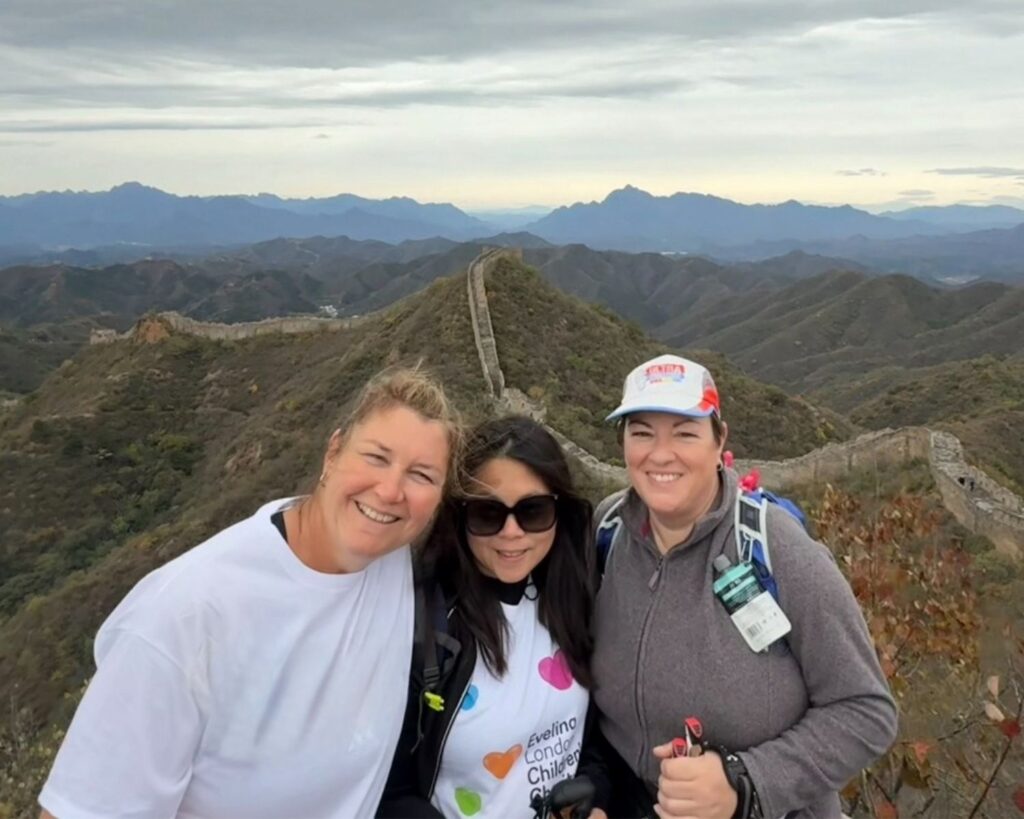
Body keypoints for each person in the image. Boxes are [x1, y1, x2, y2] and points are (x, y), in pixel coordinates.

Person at [39, 367, 463, 819]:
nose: (390, 490)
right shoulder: (186, 619)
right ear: (333, 452)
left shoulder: (391, 559)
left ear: (438, 500)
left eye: (421, 475)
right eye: (376, 457)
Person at [588, 354, 898, 819]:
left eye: (685, 433)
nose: (660, 453)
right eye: (642, 432)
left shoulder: (775, 546)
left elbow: (865, 709)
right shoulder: (607, 532)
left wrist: (745, 781)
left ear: (719, 441)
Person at [378, 416, 600, 819]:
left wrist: (594, 793)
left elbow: (595, 740)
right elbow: (388, 793)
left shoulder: (575, 595)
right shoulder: (422, 626)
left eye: (532, 511)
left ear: (559, 511)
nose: (511, 532)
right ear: (459, 517)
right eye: (487, 513)